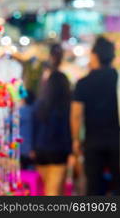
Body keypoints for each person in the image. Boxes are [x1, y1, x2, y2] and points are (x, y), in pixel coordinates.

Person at [71, 36, 120, 195]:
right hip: (117, 141)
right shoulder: (117, 79)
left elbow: (76, 115)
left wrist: (76, 140)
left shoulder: (84, 83)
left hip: (93, 142)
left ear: (95, 55)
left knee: (94, 187)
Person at [33, 43, 72, 195]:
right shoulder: (65, 107)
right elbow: (66, 129)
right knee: (53, 191)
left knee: (47, 189)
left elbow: (34, 125)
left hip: (40, 150)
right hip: (58, 151)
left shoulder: (40, 103)